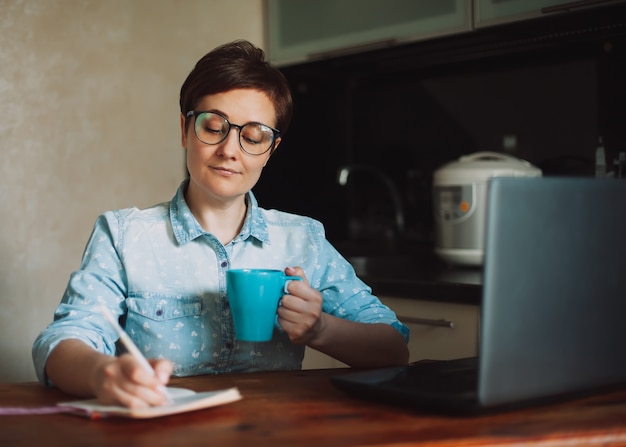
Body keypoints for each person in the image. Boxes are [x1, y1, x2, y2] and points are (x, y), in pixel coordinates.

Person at [32, 40, 409, 408]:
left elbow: (393, 348)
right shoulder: (123, 236)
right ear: (185, 129)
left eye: (254, 136)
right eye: (214, 127)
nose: (230, 150)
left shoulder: (303, 240)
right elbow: (63, 341)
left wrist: (320, 330)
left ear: (271, 151)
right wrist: (104, 374)